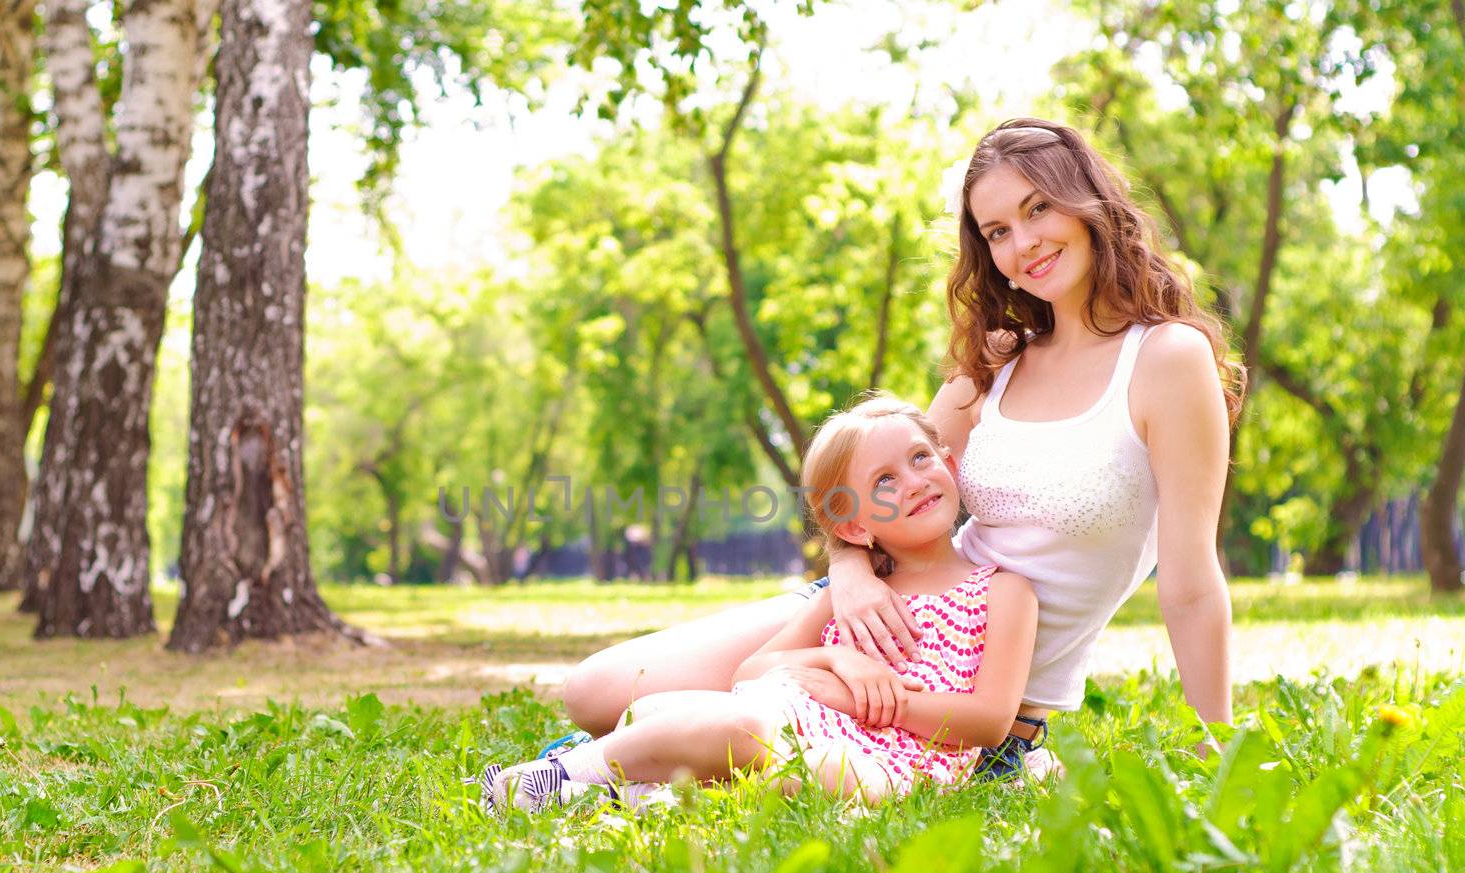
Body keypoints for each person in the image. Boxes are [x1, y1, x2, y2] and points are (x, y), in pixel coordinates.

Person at [556, 117, 1242, 772]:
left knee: (712, 732)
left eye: (1039, 209)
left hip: (962, 686)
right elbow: (872, 485)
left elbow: (1188, 585)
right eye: (997, 230)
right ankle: (601, 762)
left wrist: (1215, 747)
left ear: (1087, 202)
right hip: (874, 607)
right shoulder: (999, 363)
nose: (1023, 243)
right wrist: (852, 577)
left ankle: (605, 763)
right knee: (591, 692)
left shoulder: (1166, 360)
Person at [480, 397, 1039, 813]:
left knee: (764, 752)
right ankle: (593, 785)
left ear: (948, 460)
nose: (914, 481)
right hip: (794, 723)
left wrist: (865, 702)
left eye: (920, 458)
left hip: (895, 767)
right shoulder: (854, 591)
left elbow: (990, 723)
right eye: (885, 480)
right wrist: (834, 661)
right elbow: (753, 671)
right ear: (853, 524)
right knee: (672, 711)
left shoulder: (1003, 591)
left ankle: (576, 781)